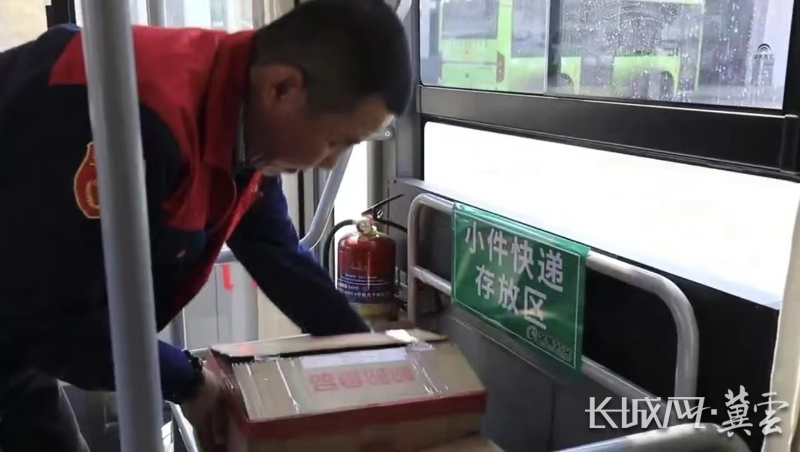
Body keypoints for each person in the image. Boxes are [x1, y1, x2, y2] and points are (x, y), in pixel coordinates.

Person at [0, 0, 412, 450]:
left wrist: (368, 352)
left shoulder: (241, 116)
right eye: (335, 141)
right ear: (283, 88)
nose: (330, 162)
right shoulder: (129, 120)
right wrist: (189, 380)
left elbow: (277, 254)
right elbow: (49, 319)